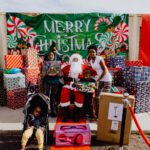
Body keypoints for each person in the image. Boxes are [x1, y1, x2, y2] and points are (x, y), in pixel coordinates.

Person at [60, 53, 90, 122]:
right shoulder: (66, 67)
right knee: (64, 94)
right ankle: (66, 115)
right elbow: (60, 75)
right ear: (71, 60)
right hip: (68, 84)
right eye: (74, 59)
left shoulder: (84, 67)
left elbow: (90, 75)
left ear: (79, 60)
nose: (75, 61)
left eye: (77, 59)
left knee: (80, 96)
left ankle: (76, 114)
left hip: (79, 84)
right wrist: (60, 75)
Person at [87, 44, 112, 118]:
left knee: (104, 97)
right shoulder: (91, 60)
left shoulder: (99, 58)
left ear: (96, 52)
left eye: (93, 52)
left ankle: (104, 115)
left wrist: (98, 79)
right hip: (99, 80)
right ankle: (98, 115)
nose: (92, 53)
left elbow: (104, 70)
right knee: (97, 98)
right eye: (90, 52)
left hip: (106, 80)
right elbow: (94, 71)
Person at [42, 51, 62, 117]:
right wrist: (48, 70)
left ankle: (53, 111)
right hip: (47, 81)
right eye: (49, 55)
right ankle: (46, 111)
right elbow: (43, 75)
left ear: (54, 56)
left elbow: (60, 75)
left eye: (52, 55)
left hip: (55, 81)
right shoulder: (45, 63)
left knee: (53, 96)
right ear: (48, 56)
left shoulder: (58, 63)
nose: (51, 57)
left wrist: (56, 71)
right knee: (46, 96)